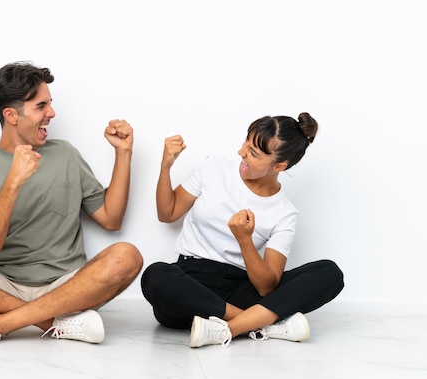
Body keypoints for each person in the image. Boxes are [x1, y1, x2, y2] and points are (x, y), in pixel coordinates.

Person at [0, 61, 143, 347]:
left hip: (67, 286)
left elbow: (111, 219)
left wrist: (123, 154)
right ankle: (55, 324)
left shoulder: (66, 154)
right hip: (1, 286)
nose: (51, 113)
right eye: (41, 106)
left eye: (50, 104)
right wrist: (13, 181)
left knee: (127, 256)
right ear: (11, 115)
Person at [141, 113, 344, 348]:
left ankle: (229, 329)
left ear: (279, 165)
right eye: (245, 144)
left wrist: (244, 240)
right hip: (190, 282)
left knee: (329, 273)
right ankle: (260, 324)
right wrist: (166, 166)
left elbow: (266, 286)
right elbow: (167, 213)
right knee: (155, 276)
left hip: (239, 286)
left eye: (253, 153)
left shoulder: (284, 212)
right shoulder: (213, 167)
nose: (241, 153)